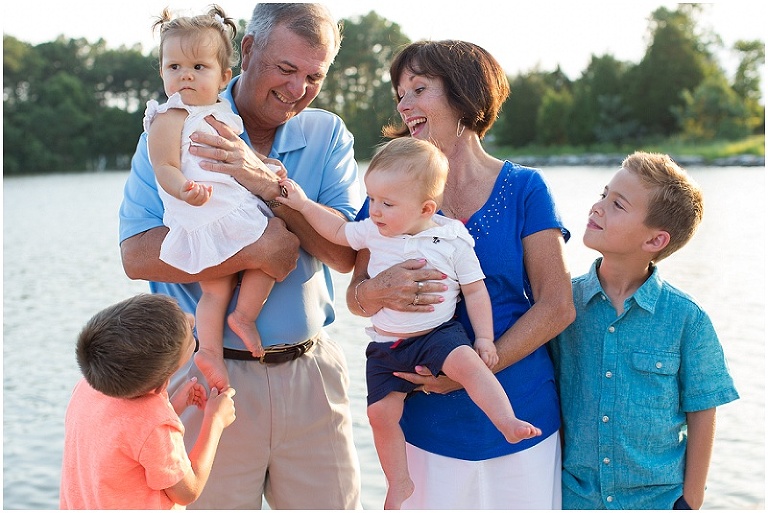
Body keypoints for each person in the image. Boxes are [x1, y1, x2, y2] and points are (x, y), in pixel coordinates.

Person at [119, 3, 362, 509]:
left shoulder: (328, 134)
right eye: (286, 69)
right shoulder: (172, 126)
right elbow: (137, 257)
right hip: (206, 381)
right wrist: (253, 251)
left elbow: (344, 256)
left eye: (314, 76)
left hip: (311, 377)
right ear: (248, 51)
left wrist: (266, 185)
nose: (298, 89)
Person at [349, 40, 575, 509]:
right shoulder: (388, 193)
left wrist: (472, 368)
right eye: (399, 93)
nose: (403, 104)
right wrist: (375, 289)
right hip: (424, 424)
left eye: (418, 88)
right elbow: (356, 299)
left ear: (463, 95)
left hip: (521, 417)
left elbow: (557, 306)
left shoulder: (524, 188)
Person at [278, 137, 542, 509]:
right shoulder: (372, 229)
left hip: (437, 335)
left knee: (470, 365)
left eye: (387, 203)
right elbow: (337, 233)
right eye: (371, 199)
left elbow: (476, 291)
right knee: (379, 413)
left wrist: (484, 339)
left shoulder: (451, 240)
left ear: (426, 207)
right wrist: (303, 204)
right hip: (386, 346)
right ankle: (398, 481)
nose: (375, 210)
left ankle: (506, 420)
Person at [548, 152, 739, 510]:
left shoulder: (687, 319)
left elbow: (703, 410)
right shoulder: (562, 304)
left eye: (617, 204)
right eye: (604, 193)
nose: (597, 206)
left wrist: (691, 499)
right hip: (573, 498)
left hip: (657, 500)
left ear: (654, 241)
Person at [146, 5, 283, 394]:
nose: (185, 75)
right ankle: (209, 350)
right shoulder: (168, 117)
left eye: (198, 67)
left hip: (236, 208)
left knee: (272, 248)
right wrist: (183, 189)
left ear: (224, 77)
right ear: (162, 73)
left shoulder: (222, 112)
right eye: (174, 67)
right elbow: (165, 166)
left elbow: (240, 153)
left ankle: (243, 316)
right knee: (214, 289)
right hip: (202, 213)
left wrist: (265, 165)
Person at [59, 294, 237, 509]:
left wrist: (173, 406)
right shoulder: (154, 421)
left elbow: (128, 435)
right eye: (191, 335)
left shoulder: (88, 387)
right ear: (163, 381)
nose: (191, 319)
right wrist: (215, 421)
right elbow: (188, 491)